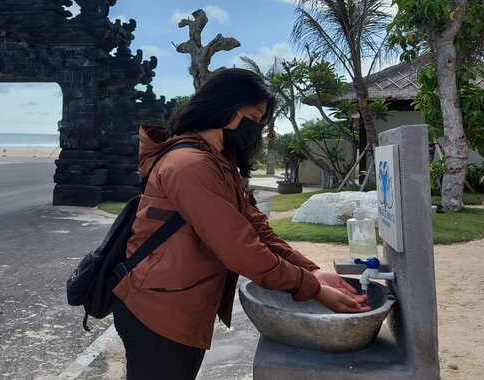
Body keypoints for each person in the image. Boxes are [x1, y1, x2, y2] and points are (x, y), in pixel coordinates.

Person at [112, 68, 370, 379]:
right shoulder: (189, 165)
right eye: (254, 116)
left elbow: (257, 229)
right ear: (226, 108)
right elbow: (240, 249)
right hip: (157, 307)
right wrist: (311, 288)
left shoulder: (219, 163)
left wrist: (311, 270)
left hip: (180, 302)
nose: (257, 127)